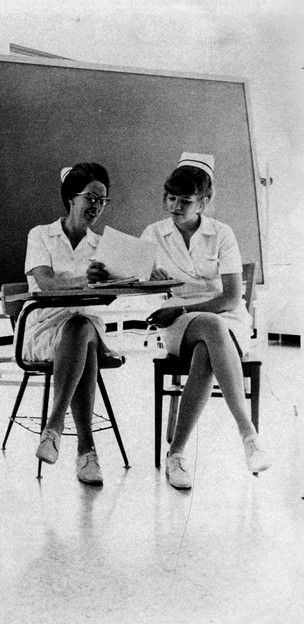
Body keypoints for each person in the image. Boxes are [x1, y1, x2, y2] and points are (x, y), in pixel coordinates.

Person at [141, 152, 272, 489]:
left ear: (204, 202)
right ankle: (248, 435)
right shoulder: (153, 234)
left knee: (208, 347)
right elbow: (131, 278)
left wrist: (183, 309)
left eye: (185, 200)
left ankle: (177, 454)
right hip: (177, 326)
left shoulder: (222, 233)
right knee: (212, 332)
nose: (175, 206)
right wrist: (145, 279)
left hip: (223, 316)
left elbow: (231, 297)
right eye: (170, 198)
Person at [25, 162, 124, 486]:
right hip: (44, 325)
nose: (96, 207)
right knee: (83, 337)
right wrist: (85, 281)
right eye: (90, 198)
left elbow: (117, 289)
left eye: (102, 201)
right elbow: (45, 283)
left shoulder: (103, 246)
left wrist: (113, 280)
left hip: (85, 324)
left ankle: (53, 429)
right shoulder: (40, 235)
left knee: (82, 327)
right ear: (71, 197)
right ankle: (86, 451)